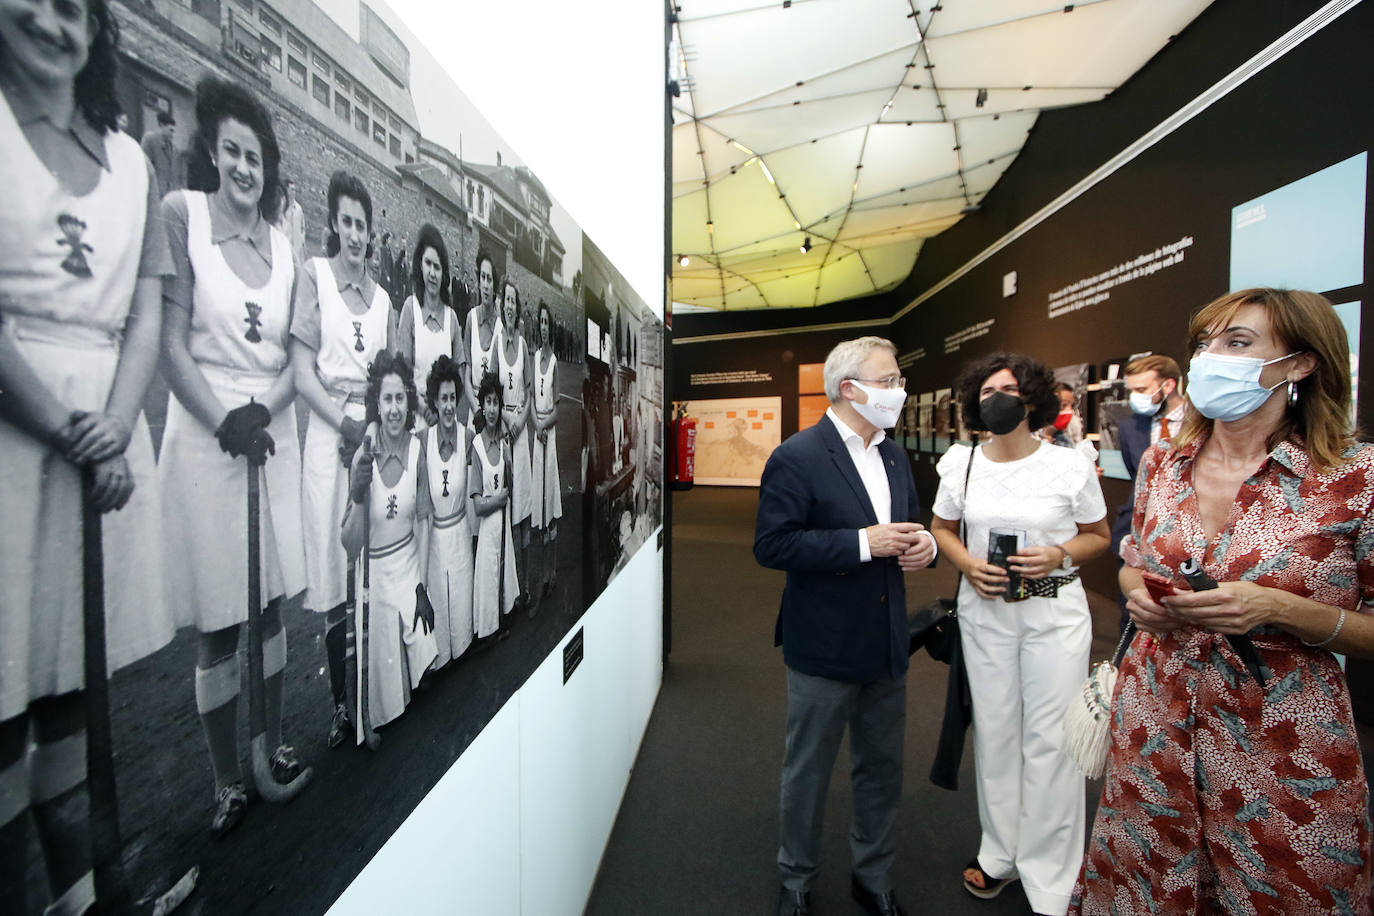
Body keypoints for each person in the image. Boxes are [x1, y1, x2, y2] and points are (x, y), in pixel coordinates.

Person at [1071, 288, 1374, 914]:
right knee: (1146, 894)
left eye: (1237, 343)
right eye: (1206, 345)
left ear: (1299, 364)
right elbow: (1133, 567)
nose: (1211, 359)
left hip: (1283, 750)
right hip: (1152, 730)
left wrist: (1280, 608)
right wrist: (1140, 599)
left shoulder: (1355, 478)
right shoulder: (1163, 464)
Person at [0, 0, 182, 910]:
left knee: (70, 698)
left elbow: (146, 311)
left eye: (72, 7)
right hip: (11, 440)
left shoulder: (133, 165)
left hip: (103, 441)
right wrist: (70, 427)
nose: (48, 19)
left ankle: (82, 901)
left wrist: (112, 423)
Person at [158, 75, 308, 837]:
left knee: (270, 602)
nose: (245, 168)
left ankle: (272, 744)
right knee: (219, 622)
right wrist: (226, 421)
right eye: (232, 152)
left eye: (256, 156)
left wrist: (265, 412)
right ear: (211, 153)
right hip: (206, 432)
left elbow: (292, 358)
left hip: (267, 430)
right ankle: (225, 781)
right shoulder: (181, 216)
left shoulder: (284, 249)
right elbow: (170, 345)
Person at [754, 336, 937, 916]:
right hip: (824, 645)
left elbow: (908, 526)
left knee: (881, 768)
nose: (899, 391)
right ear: (850, 389)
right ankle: (796, 880)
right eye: (889, 380)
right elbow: (773, 544)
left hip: (888, 644)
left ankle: (872, 875)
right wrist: (862, 543)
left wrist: (925, 545)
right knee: (807, 770)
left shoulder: (894, 454)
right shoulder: (798, 456)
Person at [929, 352, 1109, 916]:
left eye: (1007, 388)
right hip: (986, 616)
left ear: (1031, 396)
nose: (996, 398)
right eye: (985, 392)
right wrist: (964, 563)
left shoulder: (1070, 464)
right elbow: (942, 528)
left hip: (1053, 615)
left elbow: (1097, 536)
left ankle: (1052, 874)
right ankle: (1000, 853)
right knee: (998, 734)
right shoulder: (960, 462)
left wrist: (1057, 552)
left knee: (1052, 741)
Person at [290, 170, 392, 748]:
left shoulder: (381, 300)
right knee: (334, 575)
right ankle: (339, 708)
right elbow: (303, 374)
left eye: (362, 224)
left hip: (370, 438)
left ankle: (373, 693)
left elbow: (386, 382)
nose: (354, 234)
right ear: (332, 224)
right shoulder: (316, 278)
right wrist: (345, 426)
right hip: (329, 439)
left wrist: (370, 429)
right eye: (346, 222)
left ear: (371, 232)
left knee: (371, 568)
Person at [342, 351, 439, 742]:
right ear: (376, 405)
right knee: (387, 711)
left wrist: (422, 587)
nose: (395, 409)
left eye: (401, 399)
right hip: (376, 575)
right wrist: (358, 494)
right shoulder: (363, 458)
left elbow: (425, 522)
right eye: (387, 400)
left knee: (428, 673)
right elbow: (349, 546)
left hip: (408, 567)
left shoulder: (417, 452)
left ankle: (411, 662)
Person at [1110, 353, 1184, 630]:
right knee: (1133, 614)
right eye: (1131, 390)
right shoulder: (1129, 426)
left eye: (1141, 390)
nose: (1134, 397)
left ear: (1168, 386)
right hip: (1136, 534)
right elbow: (1136, 476)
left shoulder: (1205, 421)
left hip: (1184, 537)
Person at [422, 354, 476, 667]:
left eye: (453, 398)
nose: (448, 406)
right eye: (442, 399)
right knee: (440, 643)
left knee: (462, 630)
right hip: (434, 541)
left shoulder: (468, 438)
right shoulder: (423, 441)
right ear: (433, 400)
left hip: (459, 538)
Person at [394, 223, 460, 430]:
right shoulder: (410, 309)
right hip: (416, 418)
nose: (432, 273)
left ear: (444, 273)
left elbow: (459, 377)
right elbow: (401, 373)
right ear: (420, 264)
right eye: (428, 264)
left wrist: (444, 408)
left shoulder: (452, 318)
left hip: (445, 421)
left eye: (437, 267)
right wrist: (424, 409)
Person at [470, 371, 519, 640]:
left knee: (504, 578)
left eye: (496, 403)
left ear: (501, 407)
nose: (491, 409)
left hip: (503, 530)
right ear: (482, 405)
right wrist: (498, 500)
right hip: (488, 530)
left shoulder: (503, 443)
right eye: (487, 402)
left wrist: (509, 463)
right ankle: (489, 628)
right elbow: (477, 505)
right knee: (489, 576)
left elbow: (509, 484)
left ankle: (505, 614)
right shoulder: (477, 446)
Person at [496, 275, 534, 614]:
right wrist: (504, 422)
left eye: (513, 302)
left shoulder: (522, 346)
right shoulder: (495, 342)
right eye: (505, 300)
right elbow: (490, 391)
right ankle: (504, 595)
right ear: (500, 303)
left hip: (519, 436)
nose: (509, 306)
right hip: (501, 433)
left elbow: (529, 390)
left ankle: (523, 587)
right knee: (502, 516)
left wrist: (520, 421)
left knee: (521, 514)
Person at [530, 300, 563, 601]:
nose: (542, 327)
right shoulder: (534, 357)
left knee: (550, 506)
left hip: (548, 438)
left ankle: (552, 572)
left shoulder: (553, 363)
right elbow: (531, 398)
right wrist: (534, 424)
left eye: (546, 323)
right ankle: (541, 574)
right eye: (539, 322)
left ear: (550, 328)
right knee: (537, 511)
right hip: (536, 438)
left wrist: (542, 427)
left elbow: (556, 409)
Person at [463, 247, 500, 423]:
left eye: (490, 279)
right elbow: (467, 374)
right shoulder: (471, 318)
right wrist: (477, 411)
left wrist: (489, 412)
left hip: (494, 414)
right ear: (478, 281)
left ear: (495, 286)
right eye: (482, 278)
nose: (485, 284)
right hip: (475, 414)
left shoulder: (502, 326)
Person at [141, 109, 177, 199]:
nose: (173, 134)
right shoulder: (150, 140)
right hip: (154, 192)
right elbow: (144, 165)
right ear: (162, 126)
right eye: (171, 130)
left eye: (174, 131)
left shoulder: (173, 148)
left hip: (167, 193)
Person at [281, 176, 305, 263]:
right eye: (292, 189)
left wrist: (301, 239)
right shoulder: (281, 207)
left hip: (296, 248)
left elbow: (303, 227)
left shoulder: (298, 209)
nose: (294, 192)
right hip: (283, 246)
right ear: (286, 190)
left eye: (294, 189)